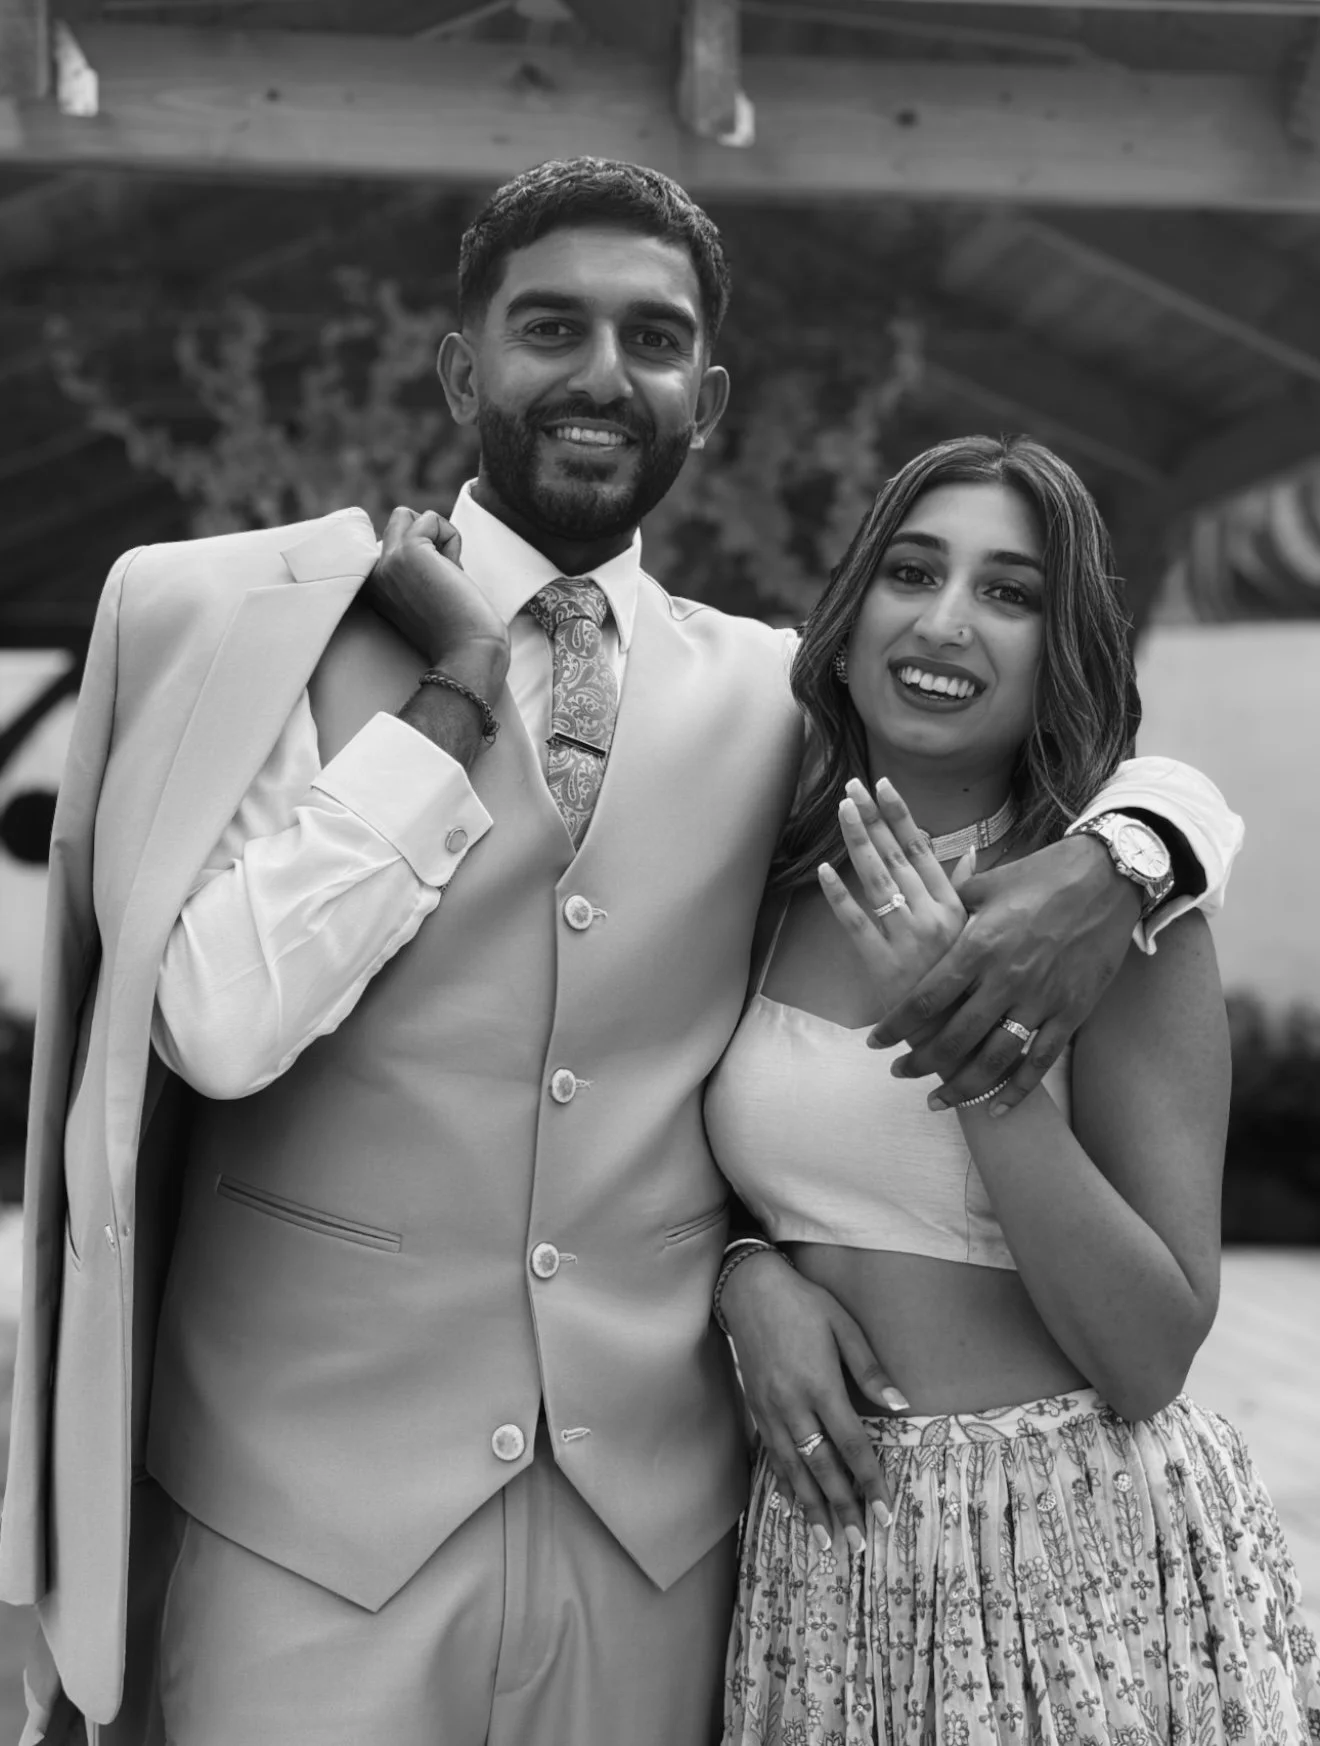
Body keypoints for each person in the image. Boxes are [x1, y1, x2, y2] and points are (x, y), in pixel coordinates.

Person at [0, 162, 1242, 1746]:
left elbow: (1031, 737)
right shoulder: (252, 633)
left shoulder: (783, 698)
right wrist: (456, 693)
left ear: (705, 396)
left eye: (652, 340)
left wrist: (1145, 853)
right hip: (305, 1524)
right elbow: (216, 1027)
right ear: (464, 369)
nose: (603, 375)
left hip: (661, 1545)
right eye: (552, 327)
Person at [711, 435, 1316, 1746]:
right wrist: (744, 1271)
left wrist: (975, 1044)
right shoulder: (763, 873)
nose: (945, 620)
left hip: (1065, 1557)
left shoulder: (1112, 924)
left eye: (1010, 590)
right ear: (851, 608)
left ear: (1063, 645)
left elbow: (1151, 1350)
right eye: (913, 570)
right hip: (821, 1574)